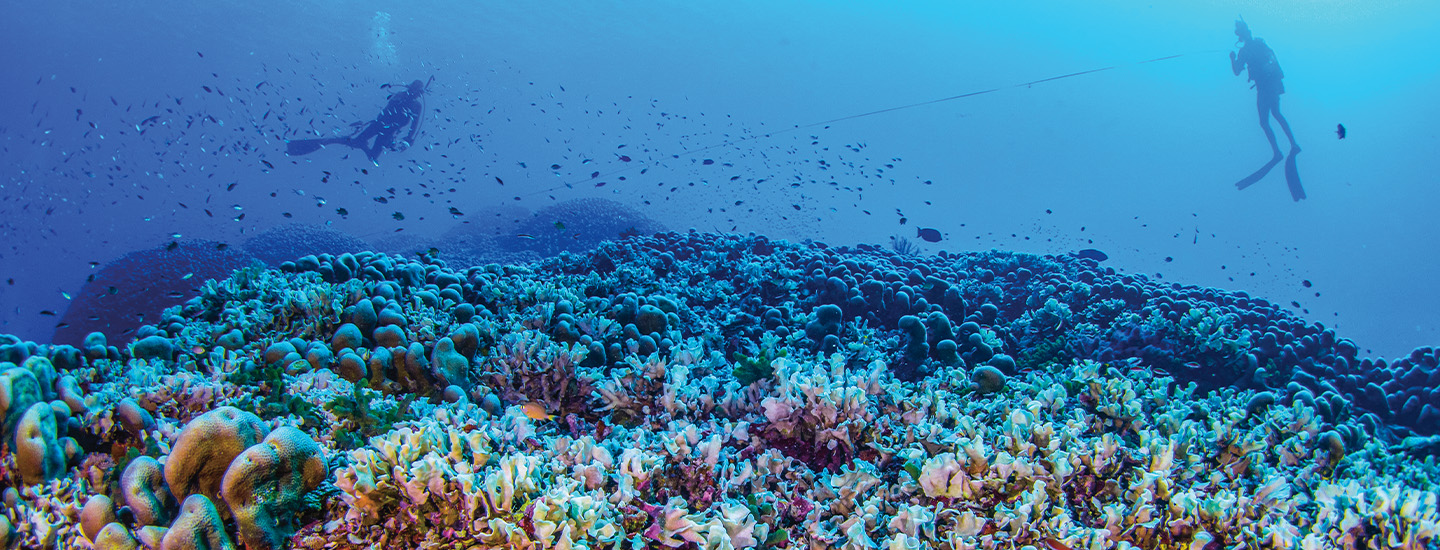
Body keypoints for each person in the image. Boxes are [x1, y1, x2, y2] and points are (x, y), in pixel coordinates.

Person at [1230, 20, 1304, 200]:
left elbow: (1241, 69)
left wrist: (1232, 58)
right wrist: (1233, 58)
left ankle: (1291, 145)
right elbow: (1238, 70)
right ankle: (1279, 150)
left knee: (1275, 115)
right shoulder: (1249, 48)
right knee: (1265, 121)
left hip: (1268, 85)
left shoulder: (1256, 45)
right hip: (1264, 87)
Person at [286, 78, 429, 163]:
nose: (415, 94)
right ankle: (343, 141)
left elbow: (414, 125)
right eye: (415, 91)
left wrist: (409, 138)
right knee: (363, 148)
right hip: (379, 125)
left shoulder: (415, 105)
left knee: (373, 157)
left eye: (417, 92)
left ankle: (356, 143)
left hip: (387, 131)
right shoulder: (400, 96)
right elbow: (389, 113)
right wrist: (409, 137)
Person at [1230, 20, 1297, 160]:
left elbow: (1236, 71)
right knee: (1276, 114)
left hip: (1265, 87)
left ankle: (1278, 152)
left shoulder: (1245, 51)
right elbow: (1274, 61)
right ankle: (1292, 144)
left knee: (1265, 121)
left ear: (1241, 37)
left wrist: (1232, 58)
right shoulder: (1259, 44)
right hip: (1271, 84)